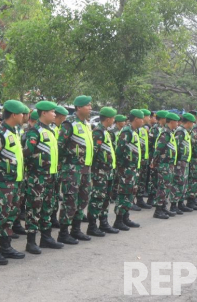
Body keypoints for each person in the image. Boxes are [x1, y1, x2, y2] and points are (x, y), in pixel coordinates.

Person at [0, 100, 29, 264]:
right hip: (2, 184)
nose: (24, 116)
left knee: (9, 216)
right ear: (14, 115)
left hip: (15, 182)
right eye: (22, 114)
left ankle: (6, 247)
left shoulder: (14, 131)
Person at [23, 101, 64, 251]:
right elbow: (26, 152)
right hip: (38, 177)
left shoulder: (52, 131)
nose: (55, 114)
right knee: (34, 208)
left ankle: (46, 237)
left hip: (51, 176)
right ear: (44, 113)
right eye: (52, 111)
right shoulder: (35, 132)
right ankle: (31, 241)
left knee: (48, 207)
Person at [57, 95, 94, 244]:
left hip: (86, 168)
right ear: (79, 108)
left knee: (83, 199)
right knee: (70, 200)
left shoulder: (87, 124)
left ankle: (76, 230)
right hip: (72, 169)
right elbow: (59, 146)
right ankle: (63, 233)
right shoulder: (69, 124)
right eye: (88, 105)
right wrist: (66, 162)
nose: (90, 108)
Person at [88, 107, 119, 236]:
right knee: (97, 198)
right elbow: (94, 153)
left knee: (106, 198)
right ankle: (92, 225)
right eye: (113, 118)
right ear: (108, 119)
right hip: (99, 171)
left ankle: (104, 222)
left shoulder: (106, 132)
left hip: (108, 171)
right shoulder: (98, 132)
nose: (113, 120)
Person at [114, 109, 144, 227]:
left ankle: (126, 217)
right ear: (136, 119)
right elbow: (119, 151)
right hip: (126, 169)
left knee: (130, 193)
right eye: (141, 119)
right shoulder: (126, 131)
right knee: (124, 194)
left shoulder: (133, 131)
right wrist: (122, 168)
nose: (143, 121)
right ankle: (119, 220)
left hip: (132, 168)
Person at [152, 111, 179, 216]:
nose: (177, 124)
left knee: (167, 187)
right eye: (176, 122)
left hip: (169, 164)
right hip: (164, 164)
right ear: (172, 122)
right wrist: (154, 162)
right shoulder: (165, 133)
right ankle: (158, 210)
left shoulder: (170, 132)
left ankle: (163, 207)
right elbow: (158, 149)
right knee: (162, 187)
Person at [173, 113, 195, 213]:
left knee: (184, 183)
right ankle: (174, 205)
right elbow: (176, 147)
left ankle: (181, 203)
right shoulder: (180, 131)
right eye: (192, 123)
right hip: (180, 161)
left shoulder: (186, 131)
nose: (193, 125)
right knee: (178, 183)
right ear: (189, 122)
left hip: (185, 161)